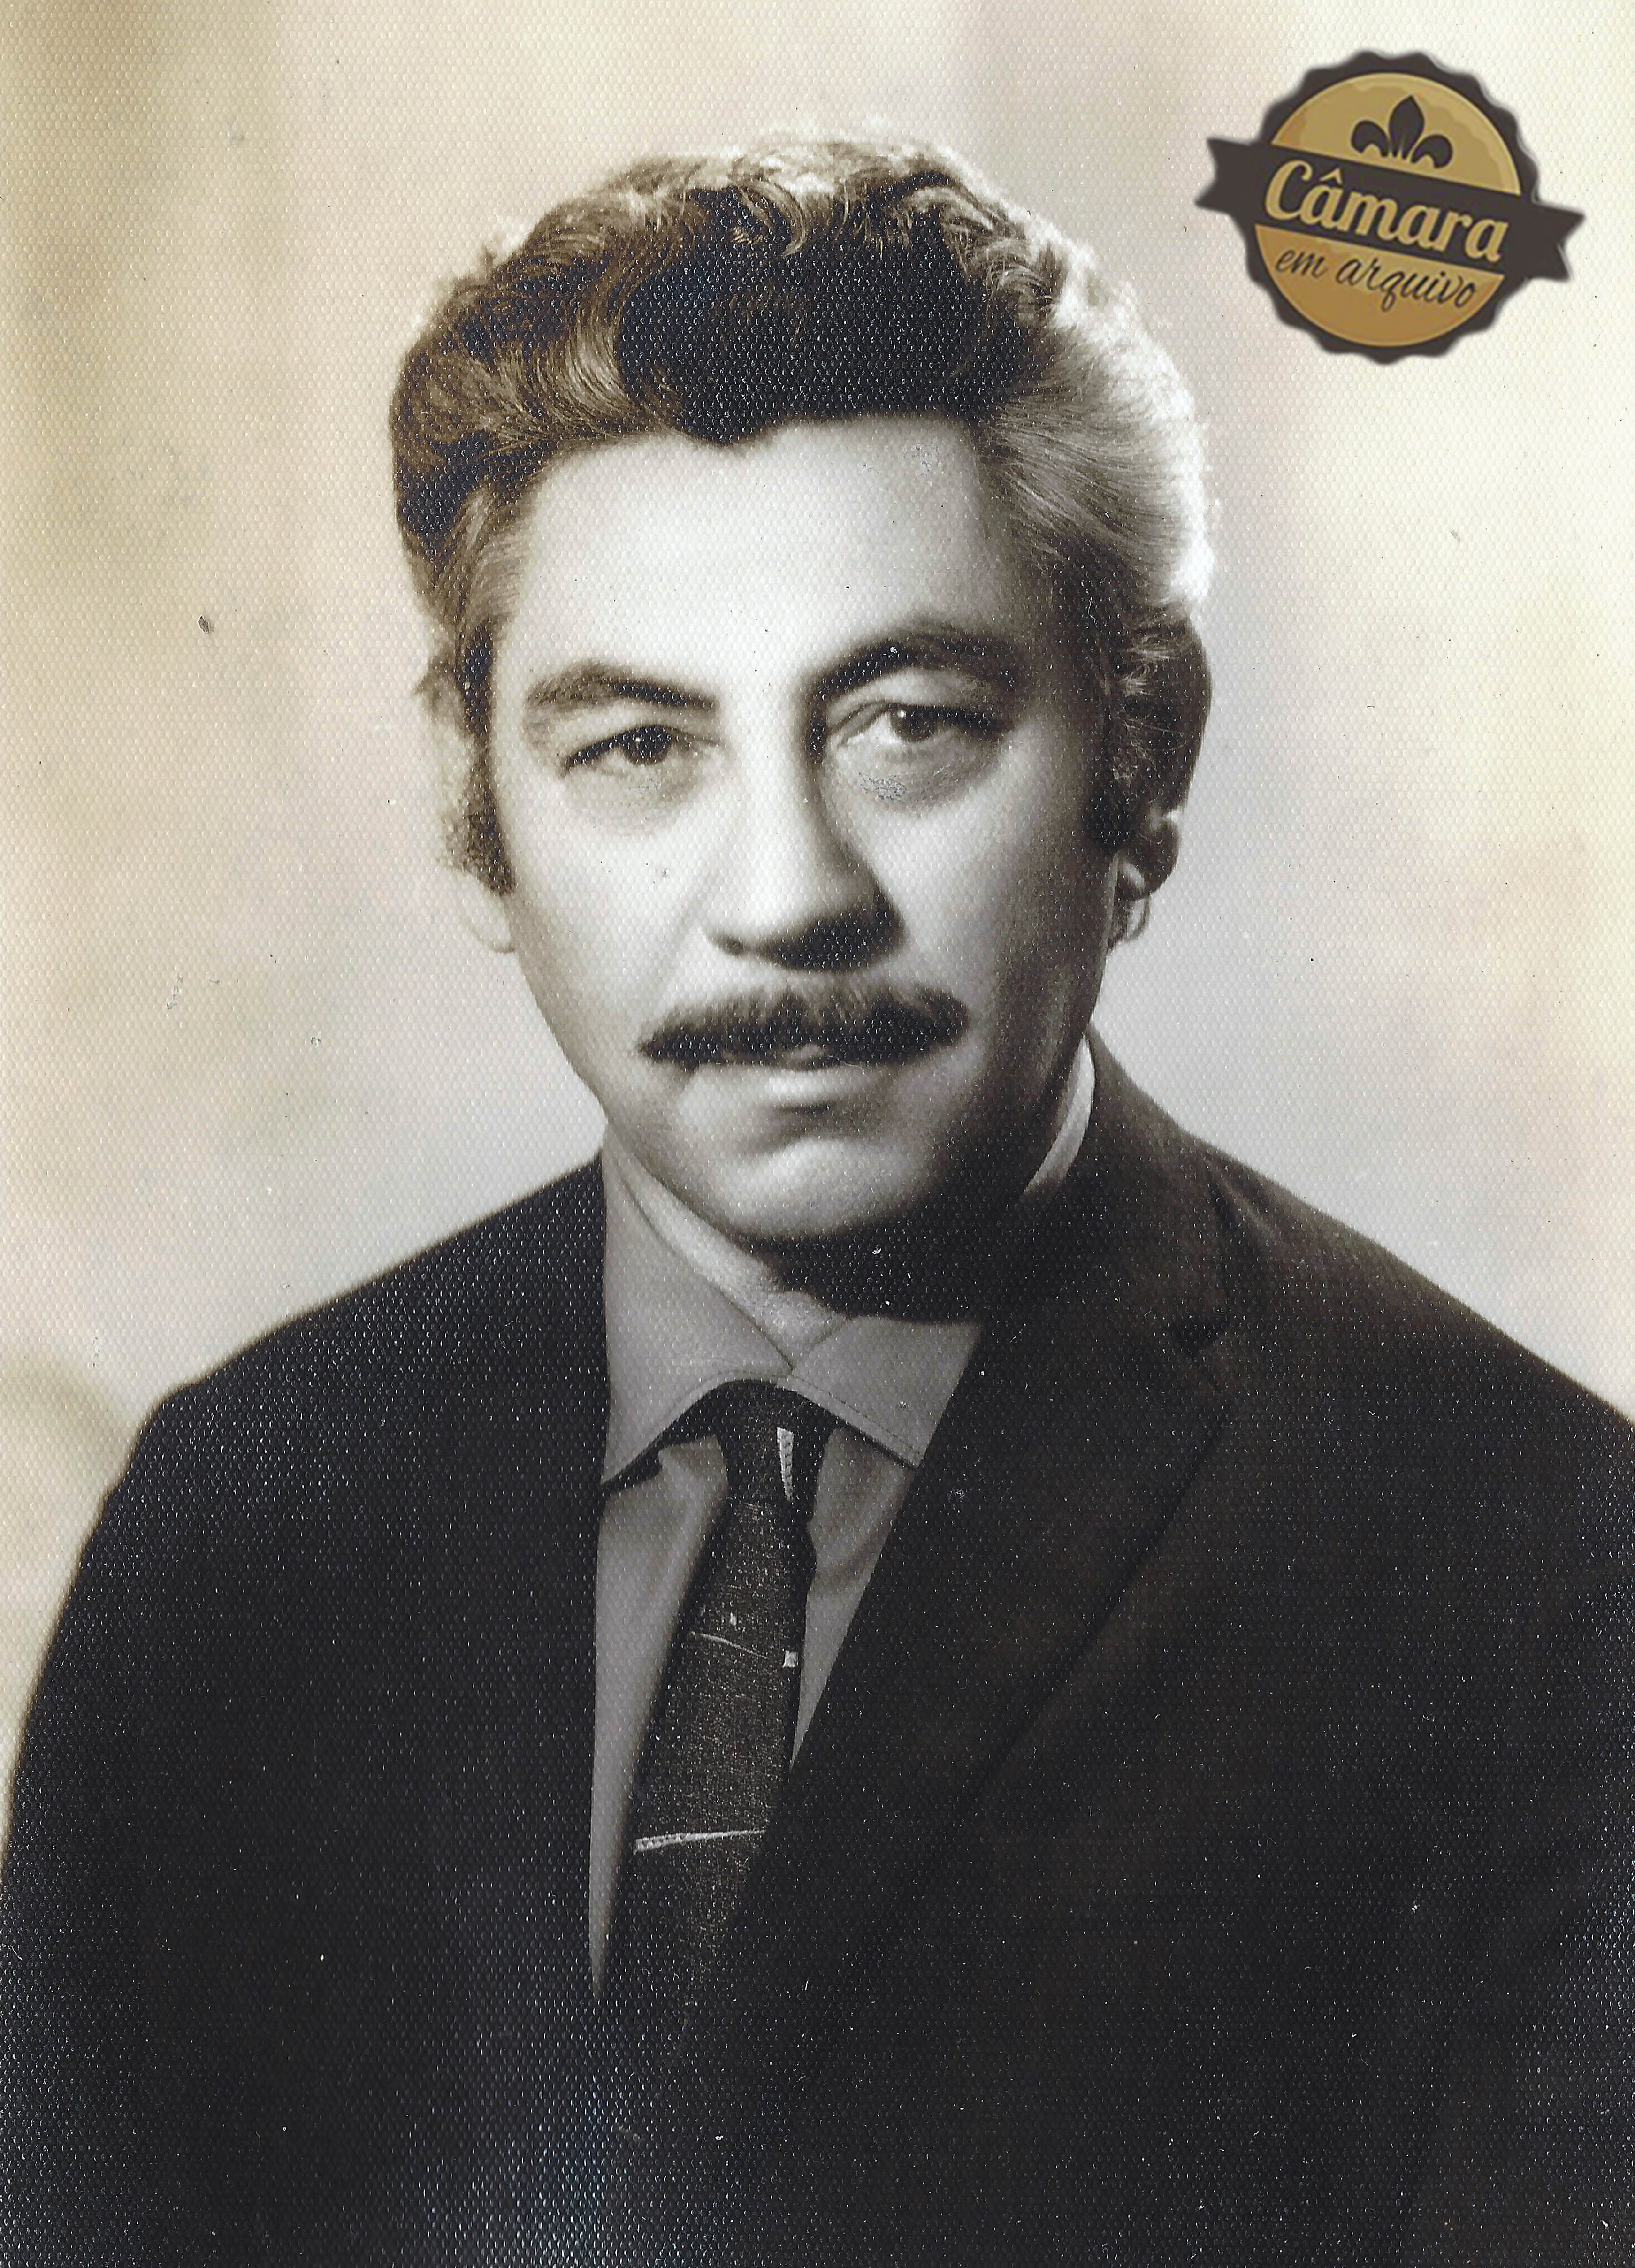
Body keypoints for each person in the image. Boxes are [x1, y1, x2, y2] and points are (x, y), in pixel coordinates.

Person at [2, 137, 1630, 2268]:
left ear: (1141, 758)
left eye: (906, 723)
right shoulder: (243, 1506)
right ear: (480, 807)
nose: (784, 899)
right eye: (638, 746)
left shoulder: (1531, 1560)